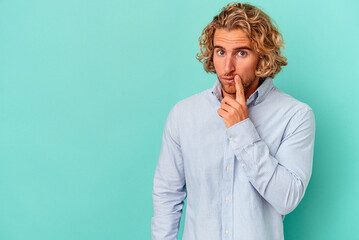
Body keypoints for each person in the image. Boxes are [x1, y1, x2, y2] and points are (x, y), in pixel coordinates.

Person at [151, 2, 315, 240]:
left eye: (241, 53)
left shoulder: (295, 115)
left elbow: (287, 199)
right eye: (220, 52)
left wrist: (242, 129)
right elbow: (167, 195)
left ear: (263, 56)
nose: (227, 67)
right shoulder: (184, 114)